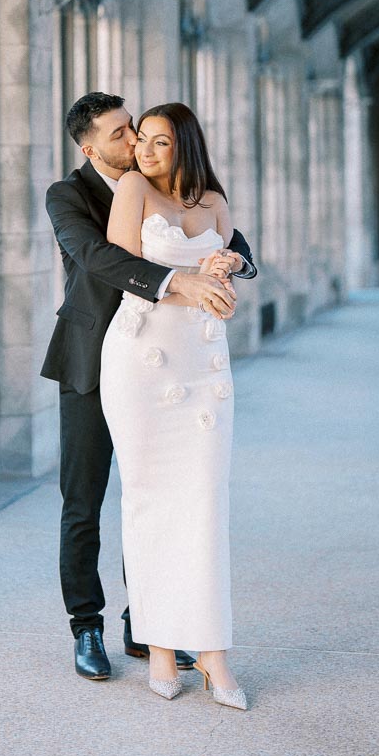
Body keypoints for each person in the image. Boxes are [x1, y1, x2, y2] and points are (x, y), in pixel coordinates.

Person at [44, 92, 256, 682]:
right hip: (95, 356)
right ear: (89, 148)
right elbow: (96, 257)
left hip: (171, 367)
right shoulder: (67, 195)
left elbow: (228, 238)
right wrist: (180, 282)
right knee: (84, 500)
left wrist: (233, 264)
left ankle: (151, 624)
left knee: (164, 493)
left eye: (135, 129)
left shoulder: (169, 181)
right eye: (119, 135)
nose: (133, 141)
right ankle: (86, 626)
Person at [101, 102, 247, 705]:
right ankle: (161, 646)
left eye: (161, 142)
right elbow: (120, 264)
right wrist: (196, 289)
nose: (145, 150)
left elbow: (231, 259)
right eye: (143, 141)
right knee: (149, 501)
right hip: (143, 359)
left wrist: (229, 265)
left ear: (185, 145)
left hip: (205, 365)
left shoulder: (212, 201)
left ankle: (213, 653)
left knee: (206, 502)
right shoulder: (132, 188)